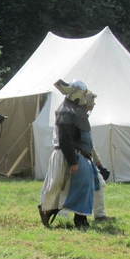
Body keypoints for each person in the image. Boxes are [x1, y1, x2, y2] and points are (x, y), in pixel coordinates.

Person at [38, 80, 100, 229]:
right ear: (78, 93)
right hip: (66, 155)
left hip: (78, 154)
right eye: (83, 93)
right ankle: (46, 210)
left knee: (83, 186)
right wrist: (72, 161)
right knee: (56, 186)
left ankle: (81, 219)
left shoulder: (74, 109)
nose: (85, 96)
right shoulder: (65, 111)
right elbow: (65, 138)